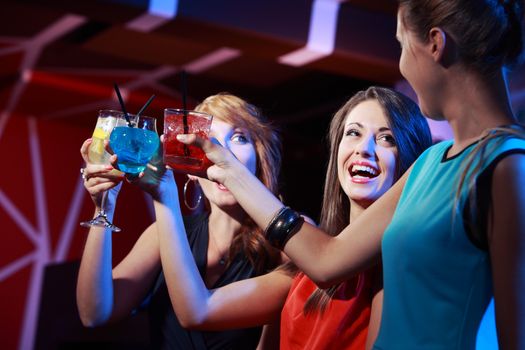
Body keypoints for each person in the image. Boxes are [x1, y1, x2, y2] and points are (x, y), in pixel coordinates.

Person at [177, 1, 525, 348]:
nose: (402, 65)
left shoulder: (509, 166)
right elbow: (327, 261)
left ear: (435, 44)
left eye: (402, 46)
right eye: (353, 133)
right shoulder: (432, 161)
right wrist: (226, 168)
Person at [109, 87, 431, 350]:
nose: (365, 148)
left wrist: (218, 172)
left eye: (386, 138)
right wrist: (146, 195)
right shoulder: (304, 261)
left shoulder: (395, 261)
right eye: (353, 133)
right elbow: (194, 310)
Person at [76, 92, 285, 349]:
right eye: (208, 141)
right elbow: (94, 314)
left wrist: (165, 197)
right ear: (191, 169)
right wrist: (104, 206)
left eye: (239, 137)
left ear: (259, 156)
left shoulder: (287, 240)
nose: (222, 152)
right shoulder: (163, 234)